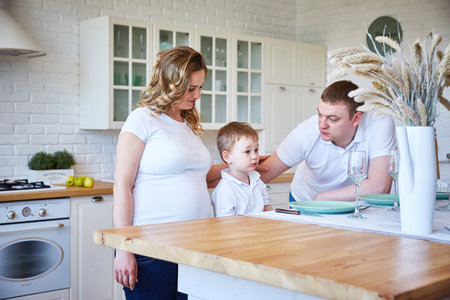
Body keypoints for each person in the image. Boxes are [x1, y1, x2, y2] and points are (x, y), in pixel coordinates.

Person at [113, 46, 223, 299]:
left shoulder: (188, 123)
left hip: (194, 246)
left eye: (200, 88)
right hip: (151, 249)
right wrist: (123, 248)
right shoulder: (142, 119)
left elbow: (198, 177)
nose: (197, 95)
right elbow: (122, 185)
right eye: (190, 88)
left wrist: (239, 164)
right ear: (171, 83)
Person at [259, 80, 396, 202]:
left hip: (350, 203)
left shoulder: (379, 122)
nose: (322, 125)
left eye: (332, 119)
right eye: (319, 115)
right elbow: (262, 175)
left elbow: (380, 186)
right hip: (307, 201)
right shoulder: (305, 133)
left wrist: (324, 197)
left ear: (356, 119)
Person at [212, 122, 273, 217]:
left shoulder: (257, 180)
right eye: (247, 151)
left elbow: (268, 211)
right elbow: (225, 225)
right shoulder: (224, 190)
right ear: (227, 157)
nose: (255, 156)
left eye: (256, 150)